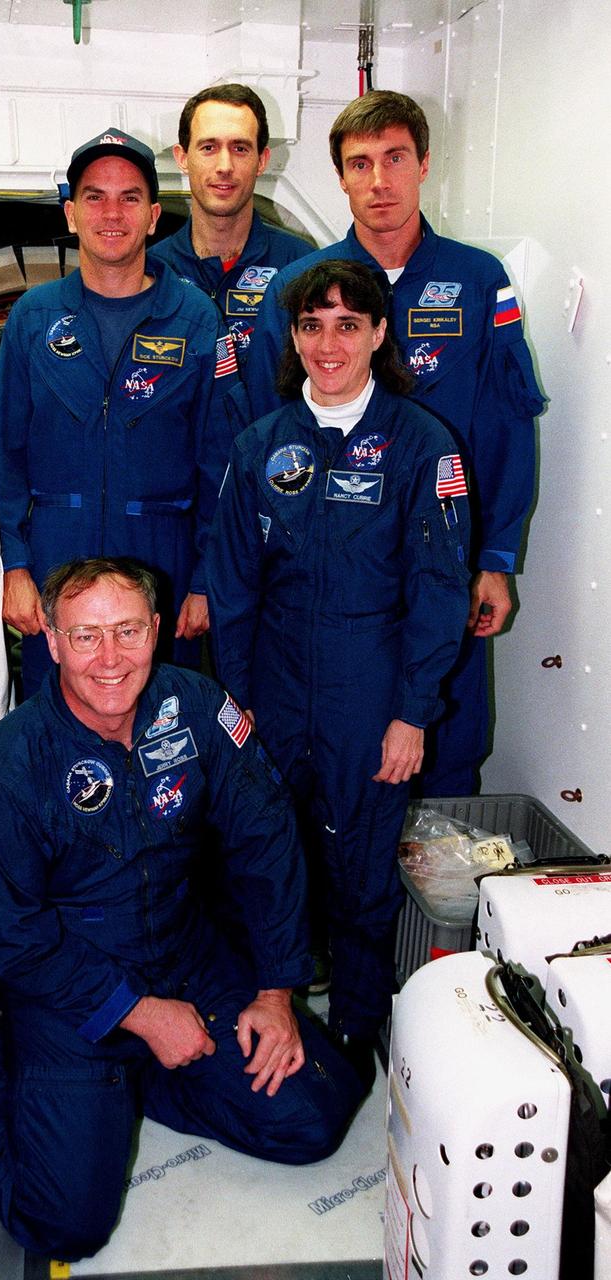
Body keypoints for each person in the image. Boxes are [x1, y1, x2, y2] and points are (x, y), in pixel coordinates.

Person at [0, 556, 365, 1261]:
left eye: (127, 631)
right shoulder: (6, 766)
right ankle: (3, 1049)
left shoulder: (199, 708)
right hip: (68, 984)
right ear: (50, 641)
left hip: (184, 955)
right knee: (65, 1226)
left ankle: (137, 1078)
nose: (109, 660)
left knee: (313, 1118)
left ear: (156, 629)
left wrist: (274, 990)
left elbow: (265, 840)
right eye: (85, 637)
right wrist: (138, 1014)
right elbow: (16, 938)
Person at [206, 261, 471, 1071]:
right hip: (275, 689)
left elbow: (439, 590)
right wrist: (234, 708)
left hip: (373, 692)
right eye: (312, 325)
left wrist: (412, 713)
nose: (329, 343)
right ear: (292, 337)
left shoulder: (422, 444)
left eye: (348, 324)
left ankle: (357, 1029)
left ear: (379, 333)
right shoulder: (260, 447)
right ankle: (271, 1011)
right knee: (264, 855)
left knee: (362, 872)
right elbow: (232, 592)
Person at [245, 91, 545, 795]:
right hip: (333, 572)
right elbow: (260, 437)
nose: (378, 181)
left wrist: (495, 560)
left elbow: (506, 428)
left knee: (447, 738)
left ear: (423, 165)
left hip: (445, 563)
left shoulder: (477, 281)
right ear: (339, 178)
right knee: (338, 759)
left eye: (394, 159)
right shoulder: (298, 288)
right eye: (359, 164)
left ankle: (437, 902)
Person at [0, 127, 238, 696]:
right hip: (56, 559)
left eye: (129, 197)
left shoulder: (195, 319)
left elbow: (219, 463)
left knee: (162, 728)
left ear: (153, 216)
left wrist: (204, 580)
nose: (112, 212)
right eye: (95, 197)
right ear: (71, 214)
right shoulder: (34, 317)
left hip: (162, 565)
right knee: (54, 725)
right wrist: (13, 566)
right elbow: (4, 457)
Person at [148, 83, 310, 367]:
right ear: (183, 158)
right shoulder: (152, 272)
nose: (225, 165)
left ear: (261, 160)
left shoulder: (302, 267)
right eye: (209, 147)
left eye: (240, 148)